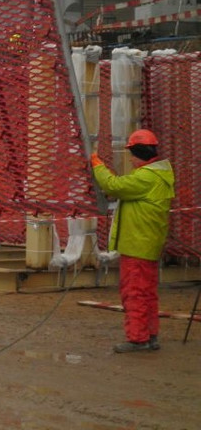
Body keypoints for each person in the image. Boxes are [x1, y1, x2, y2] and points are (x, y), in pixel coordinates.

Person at [91, 128, 175, 353]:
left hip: (137, 245)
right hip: (147, 245)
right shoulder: (159, 174)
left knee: (134, 292)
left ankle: (138, 338)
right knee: (147, 292)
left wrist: (97, 165)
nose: (130, 158)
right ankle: (150, 334)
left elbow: (114, 186)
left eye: (132, 153)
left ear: (139, 152)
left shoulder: (146, 177)